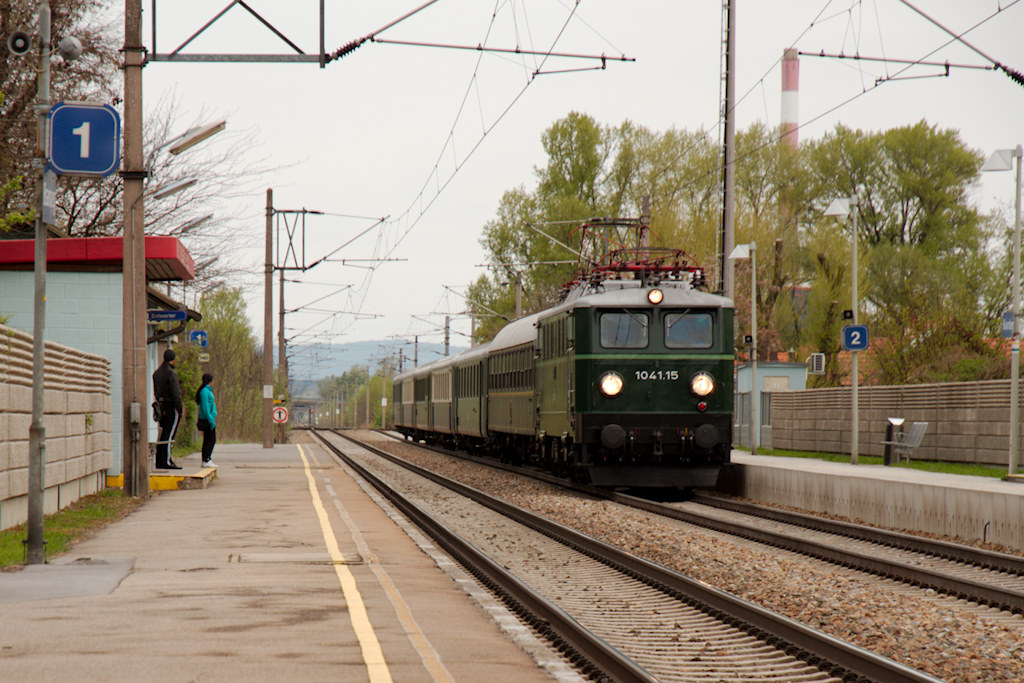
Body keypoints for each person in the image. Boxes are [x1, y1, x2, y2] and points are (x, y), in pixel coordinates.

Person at [152, 348, 183, 469]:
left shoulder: (157, 373)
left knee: (162, 433)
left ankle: (159, 460)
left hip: (160, 406)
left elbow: (156, 391)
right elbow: (175, 393)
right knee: (169, 435)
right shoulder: (171, 373)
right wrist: (179, 408)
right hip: (170, 406)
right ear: (173, 360)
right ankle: (167, 461)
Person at [196, 373, 217, 468]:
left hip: (210, 418)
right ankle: (206, 459)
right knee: (210, 440)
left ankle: (207, 458)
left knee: (209, 439)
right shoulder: (204, 391)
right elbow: (205, 407)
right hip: (207, 420)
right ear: (210, 381)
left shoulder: (207, 391)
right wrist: (210, 419)